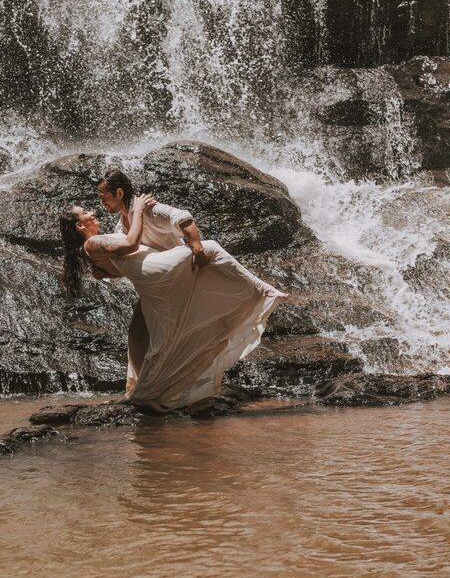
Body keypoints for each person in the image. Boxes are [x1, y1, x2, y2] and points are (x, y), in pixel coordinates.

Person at [58, 194, 285, 413]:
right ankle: (263, 291)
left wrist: (107, 271)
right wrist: (137, 211)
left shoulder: (99, 241)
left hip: (150, 279)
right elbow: (130, 244)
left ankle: (144, 390)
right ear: (80, 226)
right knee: (212, 247)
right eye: (86, 212)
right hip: (157, 272)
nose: (94, 211)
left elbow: (122, 266)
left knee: (145, 338)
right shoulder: (93, 243)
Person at [95, 169, 208, 395]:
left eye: (104, 197)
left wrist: (197, 246)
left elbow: (182, 217)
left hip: (178, 277)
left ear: (119, 192)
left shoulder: (148, 207)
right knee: (137, 334)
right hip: (156, 285)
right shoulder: (122, 225)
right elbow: (134, 261)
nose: (102, 203)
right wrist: (111, 273)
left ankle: (179, 389)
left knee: (175, 338)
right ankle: (139, 387)